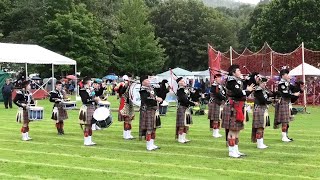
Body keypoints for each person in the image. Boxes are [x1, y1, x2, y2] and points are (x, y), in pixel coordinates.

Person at [222, 64, 254, 158]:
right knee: (232, 130)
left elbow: (244, 93)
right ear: (233, 73)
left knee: (237, 130)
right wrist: (247, 90)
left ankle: (236, 150)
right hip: (232, 107)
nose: (240, 72)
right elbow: (238, 93)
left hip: (238, 106)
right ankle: (231, 152)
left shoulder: (237, 81)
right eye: (238, 71)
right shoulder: (231, 81)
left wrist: (248, 89)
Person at [274, 69, 300, 142]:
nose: (288, 75)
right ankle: (284, 137)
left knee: (287, 120)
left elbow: (294, 89)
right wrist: (293, 94)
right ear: (283, 75)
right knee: (284, 120)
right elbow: (285, 94)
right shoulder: (281, 84)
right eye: (287, 74)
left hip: (288, 102)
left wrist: (298, 84)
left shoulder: (287, 83)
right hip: (284, 102)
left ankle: (286, 136)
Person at [139, 75, 163, 150]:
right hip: (148, 110)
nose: (148, 81)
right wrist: (156, 99)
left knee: (154, 128)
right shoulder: (143, 90)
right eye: (147, 80)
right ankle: (148, 145)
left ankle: (152, 144)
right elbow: (146, 100)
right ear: (143, 82)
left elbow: (160, 93)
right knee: (149, 129)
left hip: (154, 110)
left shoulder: (151, 88)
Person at [252, 77, 275, 149]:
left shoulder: (263, 90)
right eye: (263, 83)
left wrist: (275, 94)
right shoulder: (258, 90)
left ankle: (261, 142)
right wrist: (271, 101)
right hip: (259, 109)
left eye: (265, 83)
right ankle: (259, 144)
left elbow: (270, 95)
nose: (265, 84)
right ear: (259, 83)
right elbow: (262, 101)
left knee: (262, 127)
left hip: (263, 109)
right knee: (260, 127)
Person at [176, 77, 198, 143]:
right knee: (182, 124)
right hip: (182, 107)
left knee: (186, 123)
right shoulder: (180, 91)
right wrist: (193, 103)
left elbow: (192, 97)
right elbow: (184, 100)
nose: (184, 82)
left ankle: (184, 137)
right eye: (182, 81)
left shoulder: (186, 89)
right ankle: (180, 138)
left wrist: (197, 92)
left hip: (187, 108)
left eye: (184, 81)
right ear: (179, 83)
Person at [79, 77, 99, 146]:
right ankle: (86, 141)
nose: (91, 82)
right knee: (87, 125)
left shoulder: (90, 89)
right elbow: (85, 100)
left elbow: (97, 94)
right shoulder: (82, 90)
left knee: (90, 125)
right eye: (90, 81)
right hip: (87, 107)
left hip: (92, 107)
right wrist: (94, 99)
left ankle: (90, 140)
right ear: (87, 82)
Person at [114, 75, 135, 139]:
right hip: (124, 103)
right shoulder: (122, 84)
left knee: (130, 119)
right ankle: (125, 135)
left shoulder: (131, 85)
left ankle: (129, 133)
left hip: (130, 103)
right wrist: (126, 85)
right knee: (126, 119)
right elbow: (121, 92)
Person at [208, 74, 227, 138]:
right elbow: (218, 94)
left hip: (218, 103)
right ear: (215, 79)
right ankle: (215, 133)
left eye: (220, 78)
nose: (220, 79)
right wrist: (225, 98)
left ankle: (217, 132)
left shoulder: (220, 86)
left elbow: (224, 93)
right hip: (214, 103)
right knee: (216, 118)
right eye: (219, 78)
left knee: (218, 118)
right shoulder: (214, 86)